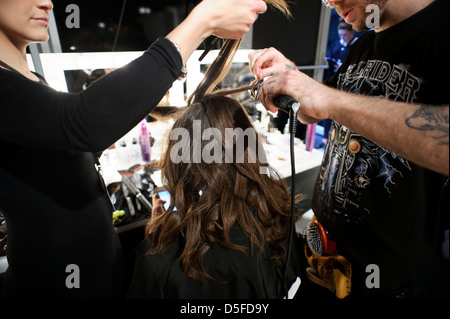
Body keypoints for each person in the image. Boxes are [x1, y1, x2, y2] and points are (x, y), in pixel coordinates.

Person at [0, 0, 268, 298]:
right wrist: (203, 21)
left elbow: (63, 147)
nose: (47, 2)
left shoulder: (32, 81)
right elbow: (80, 122)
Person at [249, 0, 449, 299]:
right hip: (323, 262)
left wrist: (325, 98)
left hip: (381, 281)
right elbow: (316, 109)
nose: (330, 1)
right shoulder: (365, 43)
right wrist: (291, 76)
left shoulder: (442, 30)